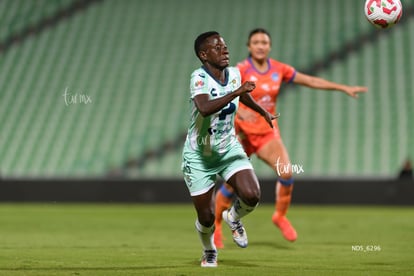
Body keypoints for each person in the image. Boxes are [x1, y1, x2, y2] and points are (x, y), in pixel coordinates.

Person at [214, 28, 368, 248]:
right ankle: (218, 225)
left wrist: (343, 87)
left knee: (286, 172)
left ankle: (279, 216)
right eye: (256, 42)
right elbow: (223, 95)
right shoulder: (239, 70)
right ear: (249, 46)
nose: (260, 45)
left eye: (264, 42)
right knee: (232, 185)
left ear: (269, 46)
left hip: (266, 133)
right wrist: (239, 111)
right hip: (241, 134)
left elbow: (310, 81)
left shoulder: (279, 69)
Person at [182, 31, 278, 267]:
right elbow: (204, 108)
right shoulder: (199, 77)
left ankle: (233, 218)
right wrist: (235, 92)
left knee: (252, 195)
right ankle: (209, 250)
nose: (224, 50)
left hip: (228, 149)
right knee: (206, 218)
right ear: (204, 54)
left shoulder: (234, 74)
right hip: (199, 155)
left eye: (224, 46)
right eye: (217, 48)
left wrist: (261, 110)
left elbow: (243, 97)